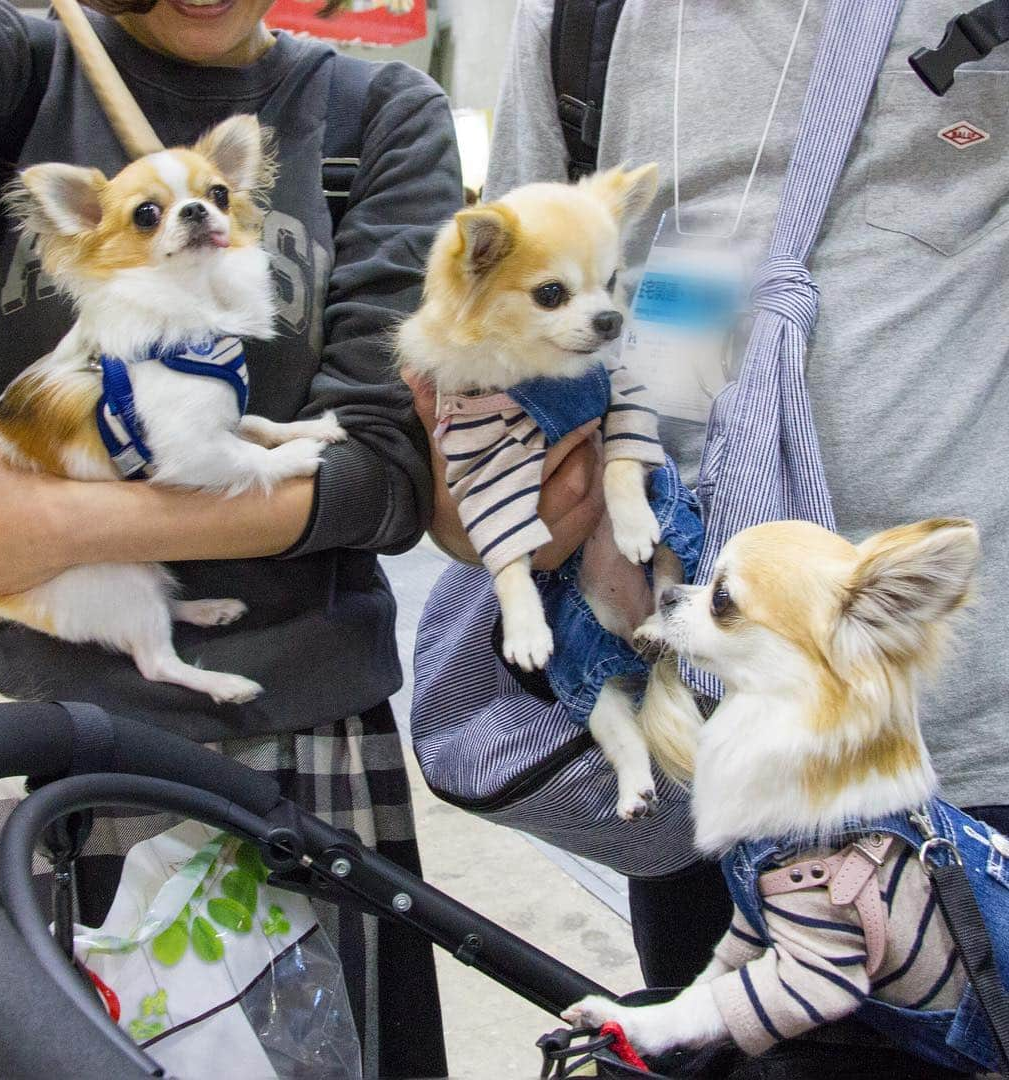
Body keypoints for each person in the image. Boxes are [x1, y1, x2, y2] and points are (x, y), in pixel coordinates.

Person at [408, 0, 1009, 1057]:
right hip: (697, 741)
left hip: (957, 749)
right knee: (715, 1024)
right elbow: (482, 384)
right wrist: (501, 522)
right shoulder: (588, 21)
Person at [0, 1, 462, 1075]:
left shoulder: (372, 113)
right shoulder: (9, 68)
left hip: (292, 733)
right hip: (15, 741)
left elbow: (384, 475)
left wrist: (62, 524)